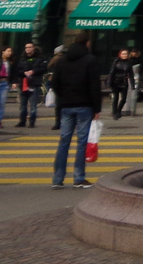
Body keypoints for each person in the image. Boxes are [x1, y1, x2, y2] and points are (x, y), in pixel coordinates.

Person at [49, 32, 101, 189]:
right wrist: (96, 108)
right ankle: (79, 178)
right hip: (84, 105)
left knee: (64, 141)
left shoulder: (62, 60)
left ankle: (57, 179)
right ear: (87, 43)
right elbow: (94, 86)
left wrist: (63, 97)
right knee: (81, 142)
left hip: (66, 105)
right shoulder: (90, 60)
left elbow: (55, 83)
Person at [15, 42, 47, 128]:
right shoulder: (22, 59)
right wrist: (23, 72)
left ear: (33, 48)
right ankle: (22, 121)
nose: (27, 49)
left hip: (34, 83)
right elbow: (17, 70)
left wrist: (33, 71)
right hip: (23, 83)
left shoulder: (40, 59)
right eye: (26, 47)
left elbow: (44, 69)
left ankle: (32, 121)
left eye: (29, 47)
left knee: (33, 105)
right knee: (23, 104)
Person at [108, 49, 134, 120]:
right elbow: (112, 72)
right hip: (116, 81)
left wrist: (132, 84)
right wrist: (109, 82)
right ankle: (114, 113)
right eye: (123, 54)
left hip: (124, 81)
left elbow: (131, 74)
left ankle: (118, 110)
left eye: (126, 54)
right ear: (120, 55)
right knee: (115, 98)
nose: (124, 55)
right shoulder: (116, 62)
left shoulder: (129, 62)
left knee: (124, 99)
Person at [0, 46, 14, 129]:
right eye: (8, 51)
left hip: (5, 83)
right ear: (3, 52)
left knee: (2, 103)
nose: (10, 53)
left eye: (11, 51)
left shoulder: (10, 62)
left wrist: (13, 82)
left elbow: (13, 73)